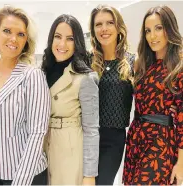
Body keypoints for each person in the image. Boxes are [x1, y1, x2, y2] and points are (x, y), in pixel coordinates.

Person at [0, 6, 51, 185]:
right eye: (7, 31)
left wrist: (20, 181)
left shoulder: (32, 75)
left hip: (22, 175)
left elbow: (37, 133)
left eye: (21, 34)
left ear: (26, 40)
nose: (13, 39)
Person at [123, 5, 183, 185]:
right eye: (148, 30)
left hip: (161, 141)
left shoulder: (179, 68)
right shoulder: (142, 65)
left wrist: (181, 162)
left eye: (158, 28)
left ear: (169, 29)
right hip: (136, 138)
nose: (152, 36)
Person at [41, 14, 99, 185]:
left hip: (71, 149)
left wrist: (89, 175)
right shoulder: (41, 73)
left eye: (70, 39)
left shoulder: (85, 78)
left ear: (78, 43)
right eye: (57, 37)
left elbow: (91, 129)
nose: (62, 44)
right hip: (43, 146)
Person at [89, 4, 135, 185]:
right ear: (93, 30)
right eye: (98, 24)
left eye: (110, 23)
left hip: (113, 139)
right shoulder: (86, 60)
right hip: (85, 136)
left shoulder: (132, 62)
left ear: (119, 27)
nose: (104, 28)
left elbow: (148, 95)